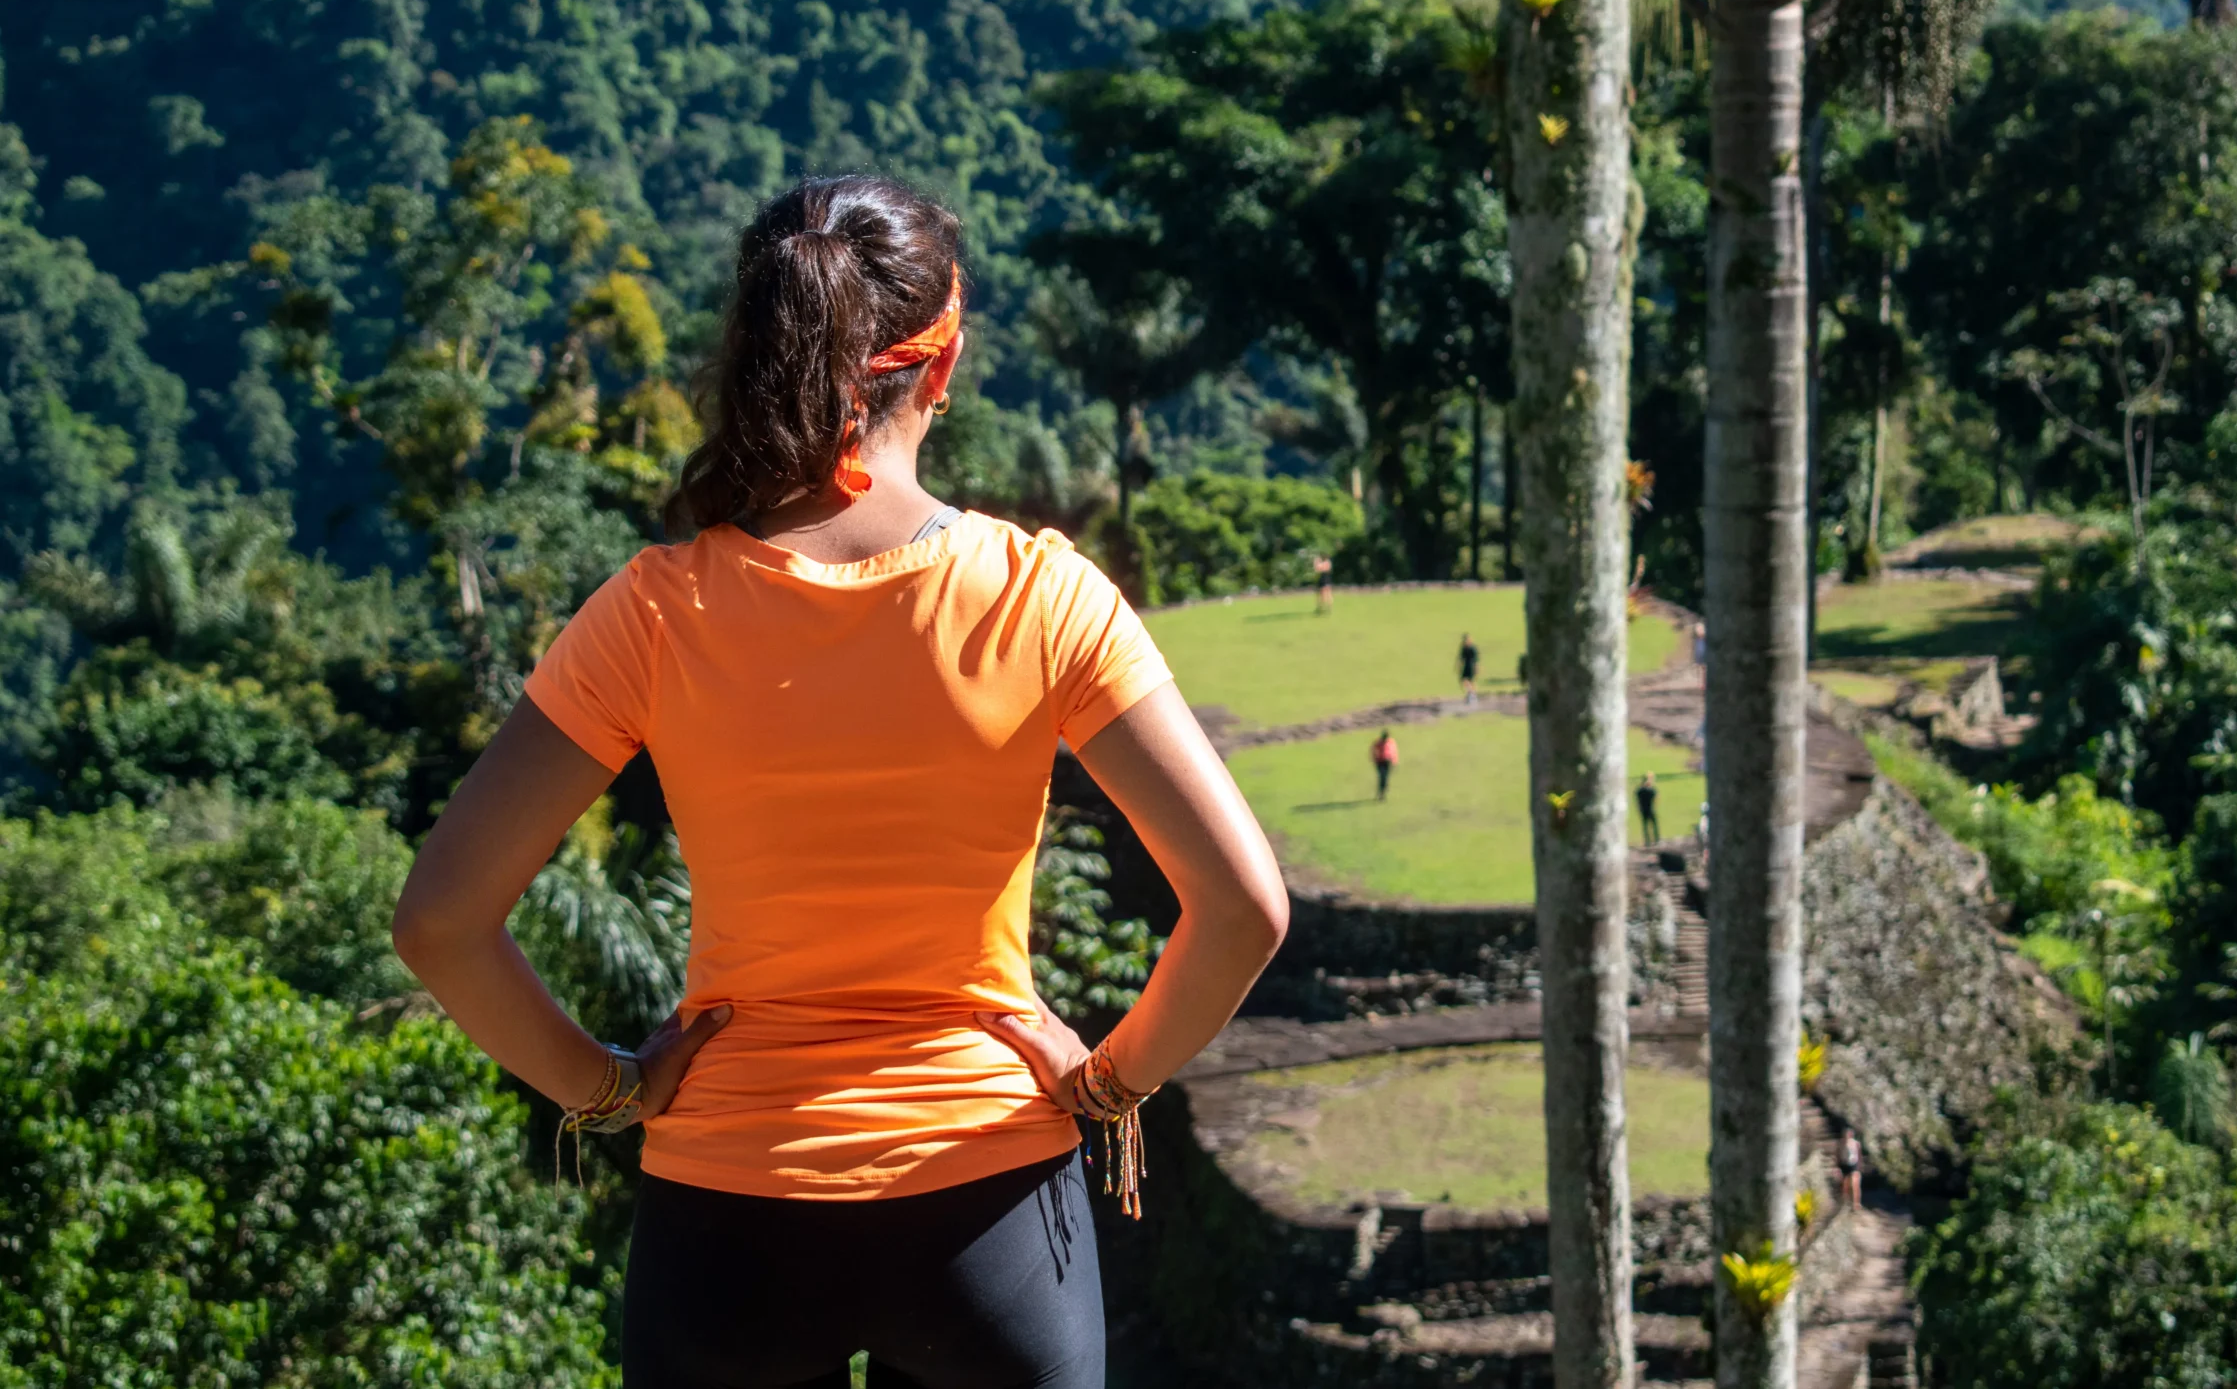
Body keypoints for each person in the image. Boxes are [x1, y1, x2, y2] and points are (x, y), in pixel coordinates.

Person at [392, 175, 1290, 1389]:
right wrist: (1105, 1081)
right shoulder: (1042, 597)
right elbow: (1243, 907)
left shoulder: (658, 612)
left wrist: (609, 1091)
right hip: (992, 1217)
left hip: (728, 1223)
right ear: (942, 364)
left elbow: (442, 923)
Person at [1838, 1126, 1863, 1212]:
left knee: (1855, 1183)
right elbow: (1838, 1154)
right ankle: (1845, 1201)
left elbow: (1859, 1155)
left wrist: (1859, 1165)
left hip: (1853, 1165)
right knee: (1845, 1184)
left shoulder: (1856, 1143)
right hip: (1844, 1164)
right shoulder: (1841, 1143)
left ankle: (1856, 1203)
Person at [1371, 728, 1399, 800]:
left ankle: (1382, 791)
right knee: (1382, 777)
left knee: (1385, 777)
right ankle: (1382, 793)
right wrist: (1375, 758)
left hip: (1388, 761)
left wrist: (1394, 761)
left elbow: (1394, 751)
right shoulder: (1379, 742)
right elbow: (1373, 750)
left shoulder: (1391, 742)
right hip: (1380, 761)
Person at [1636, 771, 1660, 845]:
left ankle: (1647, 841)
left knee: (1645, 826)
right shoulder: (1650, 790)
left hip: (1643, 809)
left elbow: (1637, 798)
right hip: (1650, 809)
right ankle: (1656, 840)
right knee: (1654, 824)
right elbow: (1656, 796)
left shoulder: (1640, 790)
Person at [1457, 632, 1480, 703]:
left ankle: (1472, 695)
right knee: (1464, 681)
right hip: (1466, 666)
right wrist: (1459, 666)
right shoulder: (1464, 648)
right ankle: (1471, 694)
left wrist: (1476, 668)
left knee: (1471, 681)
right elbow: (1461, 658)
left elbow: (1476, 660)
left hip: (1471, 666)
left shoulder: (1473, 648)